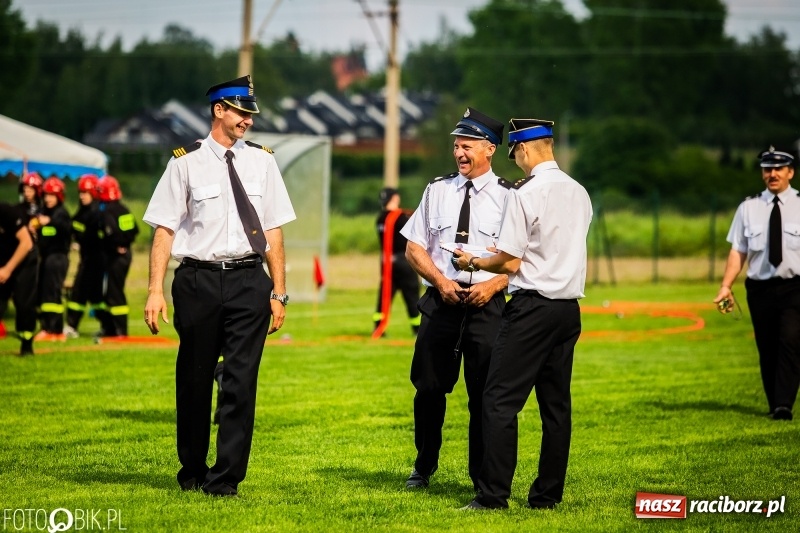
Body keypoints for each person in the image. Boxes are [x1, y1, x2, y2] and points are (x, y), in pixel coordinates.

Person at [143, 74, 296, 497]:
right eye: (241, 112)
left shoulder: (263, 161)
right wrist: (155, 288)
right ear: (219, 110)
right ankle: (192, 469)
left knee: (241, 382)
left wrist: (278, 291)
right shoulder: (184, 161)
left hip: (250, 281)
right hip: (197, 282)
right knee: (194, 379)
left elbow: (274, 231)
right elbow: (164, 230)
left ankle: (226, 478)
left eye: (250, 114)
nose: (247, 120)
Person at [454, 117, 592, 510]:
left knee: (497, 400)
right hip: (568, 309)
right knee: (555, 407)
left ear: (525, 149)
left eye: (514, 152)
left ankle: (493, 495)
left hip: (532, 307)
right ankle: (547, 495)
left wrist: (472, 262)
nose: (515, 160)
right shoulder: (578, 191)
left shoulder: (524, 193)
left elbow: (510, 260)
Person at [399, 107, 509, 491]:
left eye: (467, 146)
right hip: (441, 302)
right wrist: (440, 280)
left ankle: (482, 477)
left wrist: (493, 285)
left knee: (483, 397)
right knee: (428, 388)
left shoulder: (511, 197)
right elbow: (414, 248)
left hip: (487, 306)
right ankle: (423, 466)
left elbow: (520, 258)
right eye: (456, 146)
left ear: (490, 148)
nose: (459, 153)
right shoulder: (437, 190)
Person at [713, 146, 800, 421]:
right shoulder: (748, 208)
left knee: (790, 339)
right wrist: (726, 286)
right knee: (767, 345)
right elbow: (738, 251)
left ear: (790, 172)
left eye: (778, 169)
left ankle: (784, 404)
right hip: (760, 288)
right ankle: (775, 403)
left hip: (795, 287)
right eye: (767, 169)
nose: (772, 174)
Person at [372, 187, 420, 337]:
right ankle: (417, 328)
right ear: (396, 198)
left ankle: (379, 327)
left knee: (385, 295)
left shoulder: (380, 218)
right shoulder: (401, 217)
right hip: (403, 261)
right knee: (412, 295)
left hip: (387, 262)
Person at [95, 175, 139, 338]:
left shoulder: (106, 211)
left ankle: (119, 331)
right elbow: (134, 230)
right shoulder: (123, 209)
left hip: (115, 257)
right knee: (114, 291)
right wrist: (126, 244)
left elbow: (110, 232)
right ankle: (111, 329)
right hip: (125, 255)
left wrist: (115, 246)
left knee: (114, 293)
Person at [64, 174, 105, 338]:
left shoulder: (96, 213)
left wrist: (79, 240)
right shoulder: (82, 211)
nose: (82, 196)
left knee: (79, 291)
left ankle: (72, 325)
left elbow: (92, 236)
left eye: (86, 192)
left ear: (94, 193)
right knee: (96, 296)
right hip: (86, 258)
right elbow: (73, 226)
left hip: (94, 260)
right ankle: (107, 325)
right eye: (80, 192)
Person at [34, 177, 71, 340]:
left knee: (52, 293)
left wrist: (50, 222)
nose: (48, 198)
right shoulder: (43, 212)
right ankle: (50, 328)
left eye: (52, 195)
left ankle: (52, 329)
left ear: (59, 196)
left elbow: (66, 228)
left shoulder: (61, 214)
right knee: (45, 292)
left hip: (58, 258)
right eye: (46, 195)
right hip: (46, 257)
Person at [0, 202, 36, 355]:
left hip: (24, 260)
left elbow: (26, 243)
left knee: (23, 304)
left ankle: (26, 344)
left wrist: (8, 269)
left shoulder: (6, 212)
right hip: (4, 260)